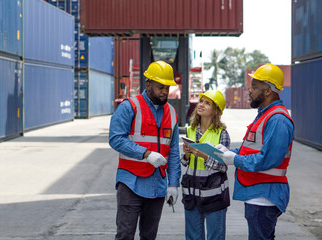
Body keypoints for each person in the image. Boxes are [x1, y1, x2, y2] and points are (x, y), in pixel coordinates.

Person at [215, 64, 294, 240]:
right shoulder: (265, 115)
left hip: (264, 195)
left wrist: (235, 160)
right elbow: (251, 149)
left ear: (267, 91)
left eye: (254, 86)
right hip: (258, 194)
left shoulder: (278, 120)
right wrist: (229, 152)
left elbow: (268, 159)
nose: (249, 91)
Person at [109, 60, 181, 240]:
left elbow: (173, 151)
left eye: (167, 87)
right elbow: (115, 139)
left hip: (157, 186)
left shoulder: (171, 113)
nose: (164, 92)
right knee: (125, 235)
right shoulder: (129, 107)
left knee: (149, 236)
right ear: (148, 84)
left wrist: (173, 184)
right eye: (160, 87)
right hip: (131, 184)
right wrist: (145, 154)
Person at [181, 90, 230, 240]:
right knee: (193, 237)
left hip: (214, 194)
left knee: (215, 237)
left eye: (207, 103)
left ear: (216, 111)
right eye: (201, 101)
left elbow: (224, 166)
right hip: (192, 194)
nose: (201, 104)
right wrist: (187, 154)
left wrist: (204, 156)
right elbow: (185, 162)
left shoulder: (222, 134)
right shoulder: (190, 130)